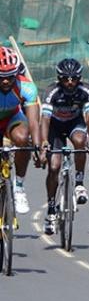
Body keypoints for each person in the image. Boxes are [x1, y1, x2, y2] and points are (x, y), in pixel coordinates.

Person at [39, 59, 89, 234]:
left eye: (74, 79)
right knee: (54, 167)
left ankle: (79, 183)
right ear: (59, 78)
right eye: (66, 79)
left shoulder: (86, 90)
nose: (70, 82)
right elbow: (45, 119)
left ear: (80, 78)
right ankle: (51, 210)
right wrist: (44, 141)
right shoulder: (52, 91)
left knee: (80, 141)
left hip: (75, 123)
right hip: (55, 127)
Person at [0, 46, 41, 214]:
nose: (5, 81)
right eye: (1, 77)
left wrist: (37, 146)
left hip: (12, 117)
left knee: (23, 138)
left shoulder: (26, 87)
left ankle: (19, 186)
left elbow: (33, 122)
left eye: (10, 77)